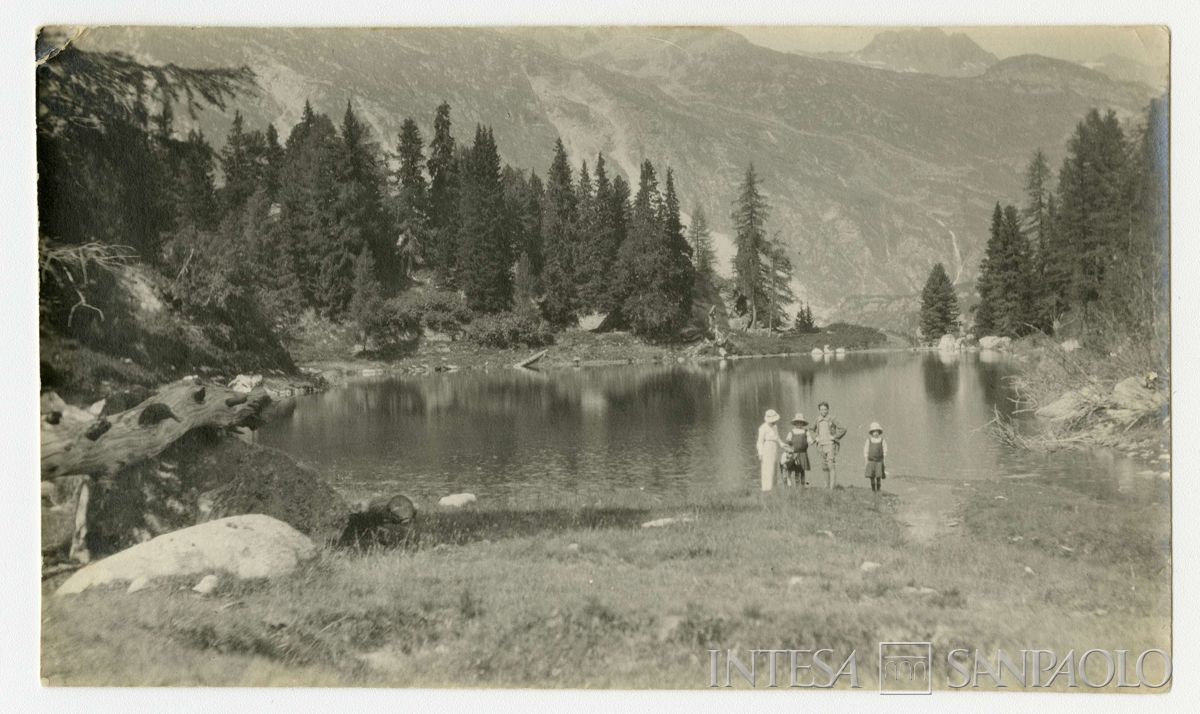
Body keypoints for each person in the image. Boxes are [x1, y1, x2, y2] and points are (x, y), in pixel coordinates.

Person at [812, 401, 847, 489]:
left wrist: (834, 437)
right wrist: (815, 437)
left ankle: (832, 488)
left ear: (828, 410)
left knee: (831, 465)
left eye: (825, 409)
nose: (823, 411)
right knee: (824, 466)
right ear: (819, 410)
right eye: (821, 409)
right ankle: (826, 486)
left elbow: (843, 429)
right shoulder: (817, 420)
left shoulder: (832, 419)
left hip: (830, 445)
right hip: (821, 445)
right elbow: (811, 430)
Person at [756, 409, 783, 491]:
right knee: (767, 469)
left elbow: (777, 437)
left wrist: (782, 444)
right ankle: (766, 489)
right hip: (766, 448)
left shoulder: (775, 427)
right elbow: (759, 442)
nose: (774, 422)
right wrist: (760, 453)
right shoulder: (763, 428)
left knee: (774, 468)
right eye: (773, 421)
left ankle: (773, 488)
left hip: (774, 448)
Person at [783, 413, 812, 487]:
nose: (799, 424)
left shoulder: (806, 431)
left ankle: (803, 485)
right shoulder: (791, 431)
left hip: (803, 453)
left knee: (802, 470)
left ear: (803, 423)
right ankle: (797, 486)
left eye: (801, 422)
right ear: (795, 423)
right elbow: (788, 441)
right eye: (797, 422)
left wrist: (812, 441)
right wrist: (789, 448)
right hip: (794, 454)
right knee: (796, 470)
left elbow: (809, 440)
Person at [863, 422, 888, 492]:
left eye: (877, 431)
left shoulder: (882, 440)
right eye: (874, 432)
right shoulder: (869, 440)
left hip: (879, 461)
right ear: (871, 432)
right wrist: (866, 461)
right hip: (871, 461)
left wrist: (884, 461)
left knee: (878, 476)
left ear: (879, 432)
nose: (875, 433)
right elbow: (866, 450)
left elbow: (885, 450)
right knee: (872, 476)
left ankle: (878, 489)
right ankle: (873, 489)